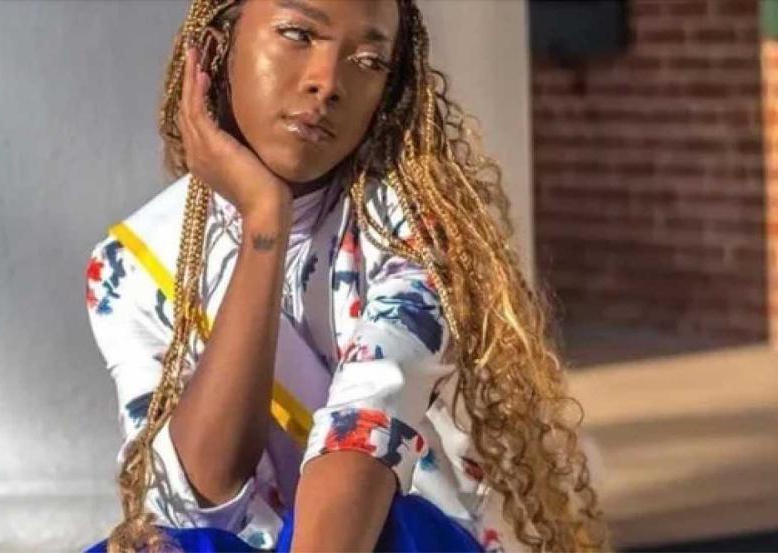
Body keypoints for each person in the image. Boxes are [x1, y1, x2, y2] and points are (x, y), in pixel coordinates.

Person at [84, 0, 611, 551]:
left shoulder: (414, 231)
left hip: (396, 538)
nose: (328, 82)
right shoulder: (129, 265)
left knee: (393, 527)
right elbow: (192, 503)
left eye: (368, 62)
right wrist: (265, 222)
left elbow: (360, 443)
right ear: (216, 52)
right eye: (297, 34)